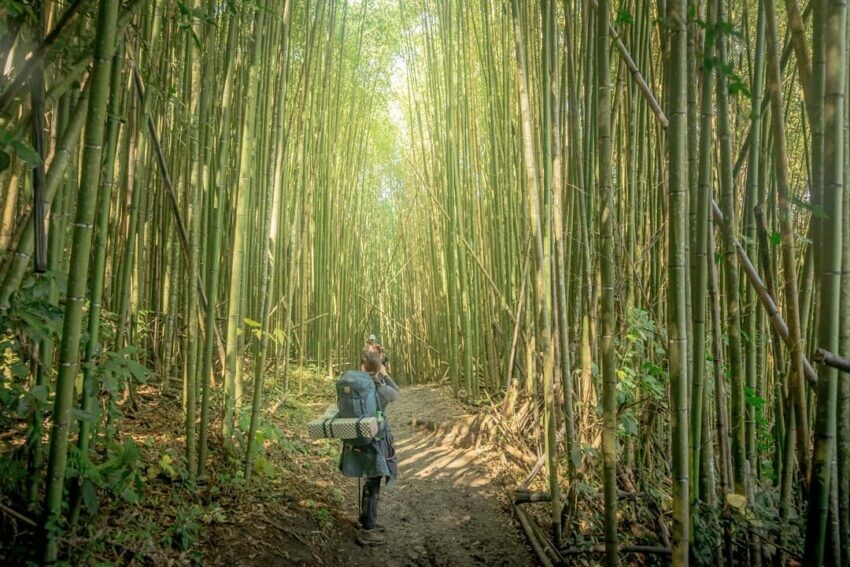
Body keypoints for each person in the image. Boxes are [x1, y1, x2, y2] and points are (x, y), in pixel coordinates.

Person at [339, 347, 400, 546]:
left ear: (361, 366)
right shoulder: (382, 390)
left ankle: (365, 519)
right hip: (375, 442)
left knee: (369, 481)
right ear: (378, 367)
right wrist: (385, 373)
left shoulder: (355, 387)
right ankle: (368, 530)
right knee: (373, 483)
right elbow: (397, 393)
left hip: (356, 439)